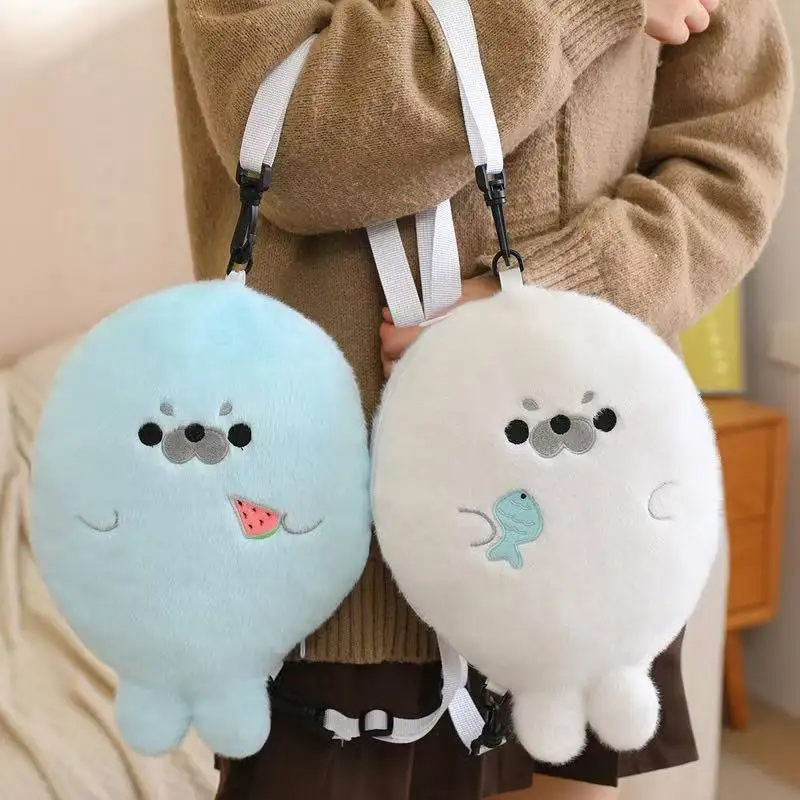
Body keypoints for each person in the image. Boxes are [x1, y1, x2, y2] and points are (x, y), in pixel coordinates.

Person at [167, 0, 792, 797]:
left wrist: (544, 301)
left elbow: (728, 168)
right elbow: (293, 152)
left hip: (596, 509)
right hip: (342, 557)